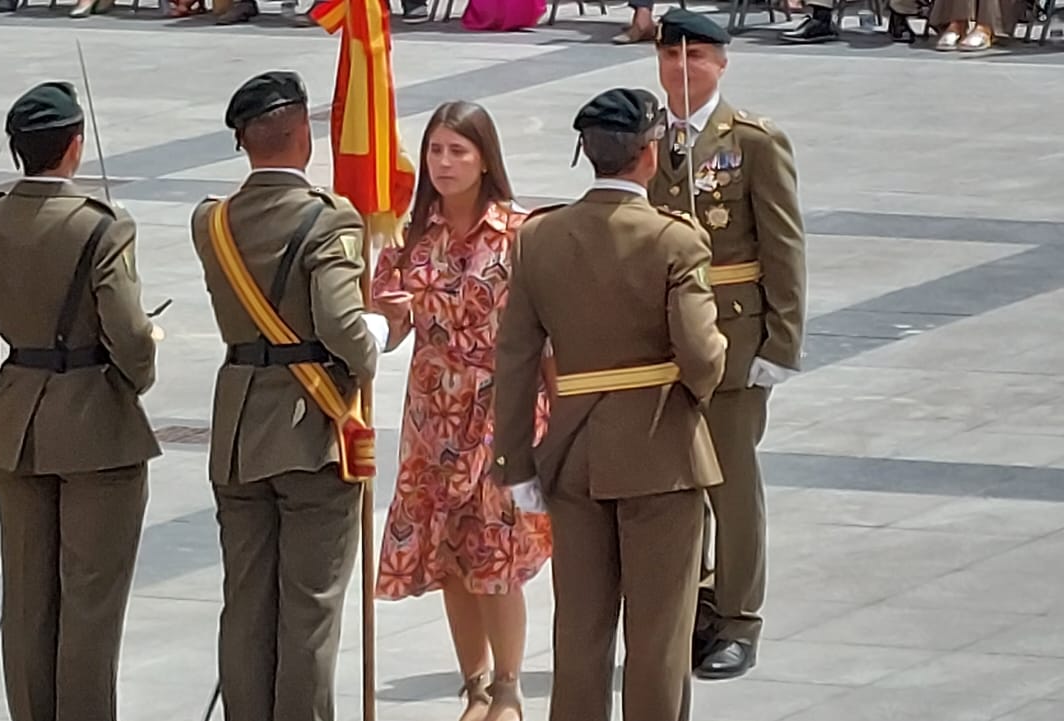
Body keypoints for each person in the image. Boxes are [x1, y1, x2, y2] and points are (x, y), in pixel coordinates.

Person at [491, 87, 727, 721]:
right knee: (657, 640)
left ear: (587, 153)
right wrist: (701, 384)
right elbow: (701, 354)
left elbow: (514, 357)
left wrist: (514, 461)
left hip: (573, 456)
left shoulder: (538, 238)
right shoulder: (675, 240)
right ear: (649, 154)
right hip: (661, 454)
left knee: (579, 634)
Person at [0, 81, 161, 721]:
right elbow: (131, 339)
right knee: (90, 604)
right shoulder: (101, 226)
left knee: (27, 600)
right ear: (74, 146)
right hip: (97, 428)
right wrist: (143, 364)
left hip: (15, 426)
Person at [189, 70, 384, 721]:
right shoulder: (328, 218)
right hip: (309, 431)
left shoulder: (211, 221)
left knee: (246, 607)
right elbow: (340, 324)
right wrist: (375, 341)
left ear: (243, 140)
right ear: (304, 134)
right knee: (309, 611)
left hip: (239, 431)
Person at [371, 100, 552, 721]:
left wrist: (560, 416)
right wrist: (379, 313)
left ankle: (508, 688)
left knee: (494, 554)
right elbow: (389, 322)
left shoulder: (520, 234)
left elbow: (547, 334)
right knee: (449, 552)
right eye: (436, 150)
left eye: (458, 151)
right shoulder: (410, 236)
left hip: (502, 410)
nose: (444, 163)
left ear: (485, 159)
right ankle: (473, 685)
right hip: (432, 416)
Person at [647, 9, 807, 681]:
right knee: (673, 482)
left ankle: (739, 618)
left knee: (732, 486)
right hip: (659, 340)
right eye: (671, 57)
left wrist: (782, 342)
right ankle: (694, 607)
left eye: (696, 58)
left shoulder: (751, 141)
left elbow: (783, 244)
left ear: (720, 64)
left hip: (733, 336)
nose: (682, 69)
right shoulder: (646, 136)